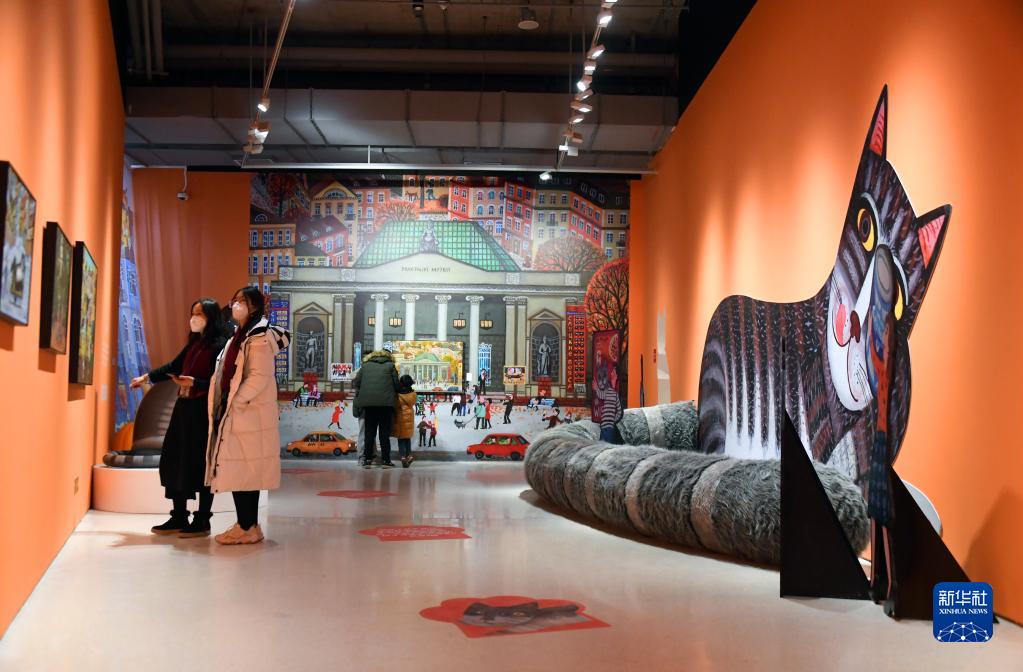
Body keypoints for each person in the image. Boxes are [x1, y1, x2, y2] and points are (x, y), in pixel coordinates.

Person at [132, 298, 227, 538]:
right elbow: (173, 366)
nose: (194, 318)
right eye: (193, 313)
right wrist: (146, 378)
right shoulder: (194, 344)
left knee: (200, 463)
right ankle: (179, 515)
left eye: (200, 314)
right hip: (184, 408)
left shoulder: (220, 345)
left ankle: (202, 519)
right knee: (174, 459)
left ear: (211, 317)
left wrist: (195, 382)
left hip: (203, 411)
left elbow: (221, 382)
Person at [206, 287, 291, 545]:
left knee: (245, 472)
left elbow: (258, 377)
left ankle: (246, 526)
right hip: (241, 413)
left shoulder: (259, 336)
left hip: (248, 414)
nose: (235, 305)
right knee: (243, 471)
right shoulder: (241, 334)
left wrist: (236, 402)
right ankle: (248, 525)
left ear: (254, 306)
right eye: (234, 300)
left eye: (241, 301)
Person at [352, 345, 400, 469]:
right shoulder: (390, 366)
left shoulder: (365, 366)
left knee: (369, 433)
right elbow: (397, 385)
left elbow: (356, 382)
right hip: (386, 405)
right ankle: (386, 461)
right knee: (384, 434)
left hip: (369, 405)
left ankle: (367, 460)